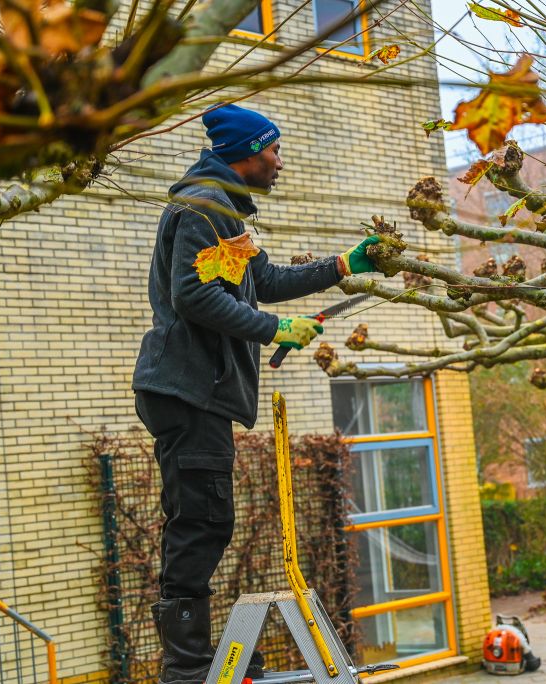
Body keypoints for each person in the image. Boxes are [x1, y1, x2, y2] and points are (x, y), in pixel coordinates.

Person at [132, 103, 381, 683]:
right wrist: (275, 329)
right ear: (246, 152)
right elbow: (193, 296)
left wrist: (344, 264)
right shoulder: (201, 208)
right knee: (202, 523)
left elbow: (262, 282)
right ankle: (187, 671)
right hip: (188, 390)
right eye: (273, 151)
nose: (279, 161)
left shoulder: (223, 212)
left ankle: (191, 661)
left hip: (197, 392)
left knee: (203, 521)